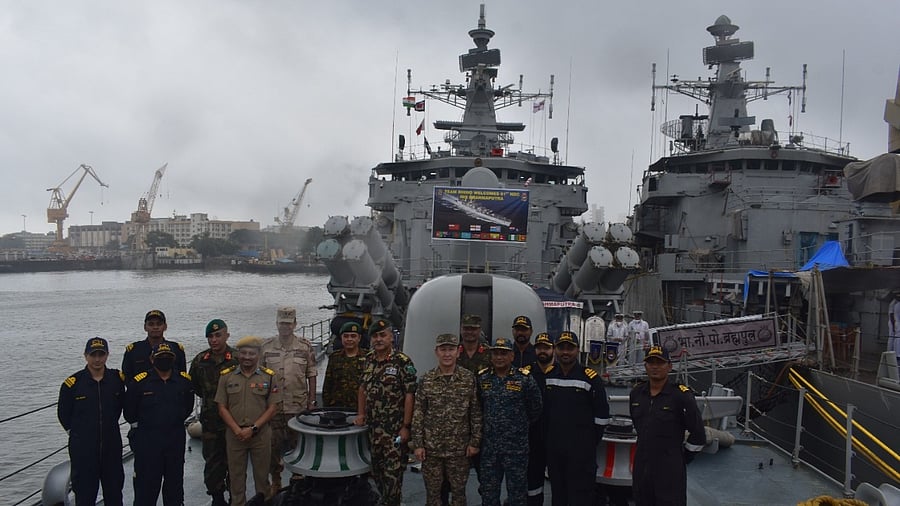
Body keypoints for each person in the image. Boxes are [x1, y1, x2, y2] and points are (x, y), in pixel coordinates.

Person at [411, 333, 482, 506]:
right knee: (433, 495)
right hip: (432, 450)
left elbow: (475, 412)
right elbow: (419, 412)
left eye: (451, 349)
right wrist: (418, 444)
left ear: (458, 352)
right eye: (443, 350)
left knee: (458, 495)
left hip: (459, 450)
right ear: (436, 352)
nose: (447, 354)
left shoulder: (468, 379)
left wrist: (475, 442)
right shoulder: (426, 380)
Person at [629, 346, 706, 506]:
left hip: (669, 470)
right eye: (651, 362)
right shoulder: (636, 394)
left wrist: (682, 458)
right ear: (645, 366)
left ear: (669, 366)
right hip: (642, 468)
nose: (655, 366)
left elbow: (698, 434)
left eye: (660, 362)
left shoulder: (681, 396)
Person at [354, 318, 418, 506]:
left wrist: (406, 427)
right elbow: (362, 388)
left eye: (383, 335)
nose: (378, 339)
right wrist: (360, 414)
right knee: (377, 474)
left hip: (394, 431)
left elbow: (409, 395)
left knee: (393, 477)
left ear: (391, 337)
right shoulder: (368, 359)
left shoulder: (402, 362)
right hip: (374, 430)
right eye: (375, 336)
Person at [543, 330, 610, 506]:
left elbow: (602, 416)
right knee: (558, 493)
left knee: (581, 495)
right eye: (561, 348)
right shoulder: (548, 376)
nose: (565, 352)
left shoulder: (590, 378)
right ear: (556, 349)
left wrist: (586, 443)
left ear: (577, 350)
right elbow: (544, 412)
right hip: (555, 450)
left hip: (581, 452)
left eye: (570, 348)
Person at [124, 342, 195, 506]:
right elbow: (129, 412)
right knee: (146, 488)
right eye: (160, 357)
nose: (164, 360)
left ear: (174, 359)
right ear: (151, 359)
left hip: (174, 439)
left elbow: (187, 407)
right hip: (148, 441)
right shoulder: (140, 383)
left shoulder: (183, 381)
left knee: (174, 486)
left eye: (167, 357)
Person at [57, 337, 126, 506]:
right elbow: (63, 414)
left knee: (114, 493)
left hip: (111, 446)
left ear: (107, 355)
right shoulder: (72, 384)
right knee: (85, 495)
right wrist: (79, 434)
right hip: (84, 450)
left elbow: (122, 406)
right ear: (85, 356)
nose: (97, 359)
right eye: (93, 354)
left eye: (101, 354)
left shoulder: (116, 379)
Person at [477, 337, 542, 506]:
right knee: (489, 494)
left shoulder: (524, 379)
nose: (499, 357)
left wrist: (519, 426)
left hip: (516, 448)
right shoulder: (483, 379)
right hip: (490, 449)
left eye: (504, 353)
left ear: (512, 356)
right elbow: (477, 408)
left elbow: (536, 408)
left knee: (517, 495)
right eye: (496, 353)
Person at [216, 336, 281, 506]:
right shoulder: (227, 377)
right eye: (243, 353)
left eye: (251, 353)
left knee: (262, 478)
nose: (247, 357)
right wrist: (237, 430)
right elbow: (222, 407)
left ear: (258, 354)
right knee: (236, 479)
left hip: (260, 435)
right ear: (238, 354)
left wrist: (253, 429)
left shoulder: (269, 377)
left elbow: (273, 407)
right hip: (235, 435)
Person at [261, 306, 317, 493]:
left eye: (288, 323)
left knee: (298, 445)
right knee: (273, 446)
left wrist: (311, 401)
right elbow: (259, 376)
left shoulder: (304, 347)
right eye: (281, 323)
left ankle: (298, 478)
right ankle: (276, 480)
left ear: (295, 324)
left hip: (297, 405)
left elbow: (311, 374)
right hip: (273, 407)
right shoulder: (266, 347)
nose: (285, 327)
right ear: (277, 324)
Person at [189, 318, 239, 506]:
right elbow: (195, 387)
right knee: (212, 464)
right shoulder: (200, 361)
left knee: (235, 463)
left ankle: (236, 498)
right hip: (210, 423)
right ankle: (217, 498)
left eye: (218, 335)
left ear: (227, 335)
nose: (214, 340)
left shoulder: (237, 359)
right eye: (210, 336)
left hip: (234, 422)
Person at [523, 332, 554, 506]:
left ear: (553, 349)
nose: (543, 351)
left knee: (558, 481)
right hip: (532, 437)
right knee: (533, 482)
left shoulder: (560, 372)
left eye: (547, 348)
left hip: (555, 437)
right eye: (540, 347)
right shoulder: (525, 374)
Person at [122, 309, 187, 380]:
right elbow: (127, 378)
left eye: (159, 324)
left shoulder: (176, 349)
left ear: (165, 327)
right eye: (151, 324)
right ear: (145, 327)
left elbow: (183, 377)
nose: (155, 327)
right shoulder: (133, 350)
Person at [322, 321, 368, 408]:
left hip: (360, 408)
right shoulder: (334, 357)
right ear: (341, 338)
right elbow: (328, 385)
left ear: (359, 338)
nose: (349, 339)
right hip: (338, 408)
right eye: (346, 336)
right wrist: (326, 407)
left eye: (353, 336)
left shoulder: (369, 357)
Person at [889, 293, 900, 360]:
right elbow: (891, 315)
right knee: (897, 338)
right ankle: (897, 354)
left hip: (896, 322)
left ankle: (895, 352)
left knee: (896, 338)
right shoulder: (896, 304)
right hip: (897, 322)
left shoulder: (896, 304)